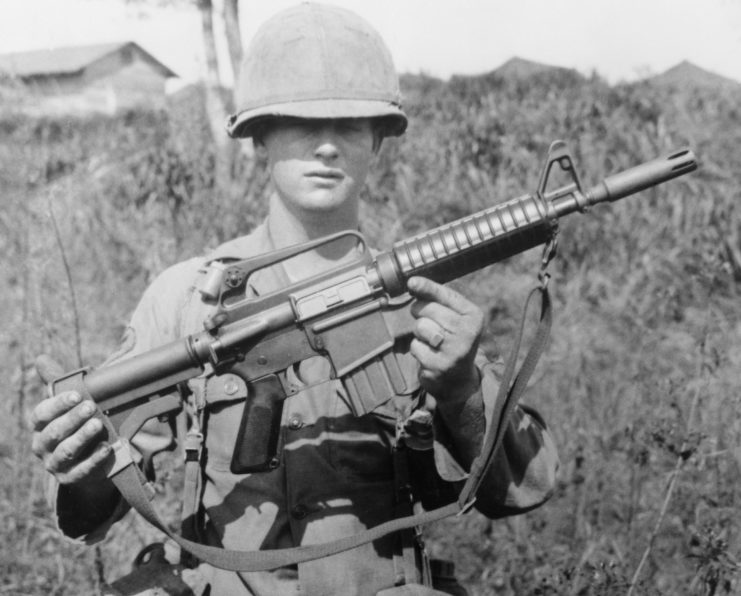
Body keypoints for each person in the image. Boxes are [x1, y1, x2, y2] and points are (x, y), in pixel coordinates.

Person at [30, 3, 559, 595]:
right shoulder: (187, 297)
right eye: (304, 124)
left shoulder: (416, 299)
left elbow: (526, 485)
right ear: (260, 138)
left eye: (351, 126)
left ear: (378, 143)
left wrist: (460, 389)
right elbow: (87, 511)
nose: (328, 147)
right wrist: (86, 467)